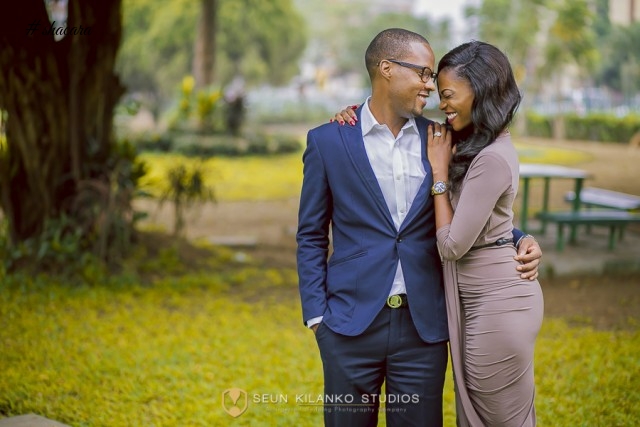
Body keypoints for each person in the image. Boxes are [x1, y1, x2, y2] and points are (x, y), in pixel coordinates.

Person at [297, 29, 542, 427]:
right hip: (348, 327)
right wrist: (317, 317)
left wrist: (519, 238)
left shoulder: (445, 139)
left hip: (423, 329)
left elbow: (479, 209)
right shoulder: (329, 141)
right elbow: (310, 234)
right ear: (387, 69)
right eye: (424, 74)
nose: (431, 85)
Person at [427, 41, 544, 426]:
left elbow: (452, 245)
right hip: (486, 301)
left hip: (497, 308)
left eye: (448, 95)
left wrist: (440, 175)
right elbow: (496, 221)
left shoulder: (490, 157)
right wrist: (520, 237)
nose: (442, 105)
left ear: (480, 89)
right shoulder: (474, 143)